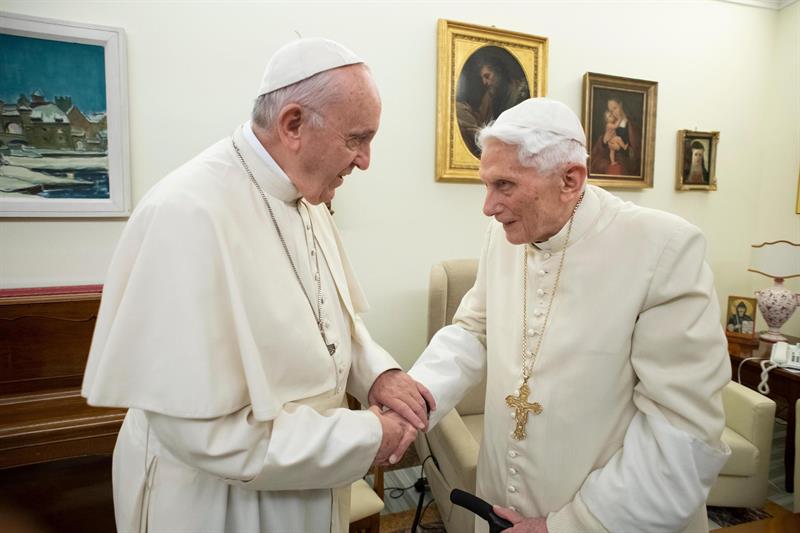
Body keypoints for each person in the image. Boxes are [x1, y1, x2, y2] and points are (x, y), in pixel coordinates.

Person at [81, 38, 433, 533]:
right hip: (220, 505)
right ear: (293, 124)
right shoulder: (187, 213)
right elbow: (206, 435)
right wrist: (366, 436)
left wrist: (378, 374)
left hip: (307, 485)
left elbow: (336, 326)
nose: (365, 160)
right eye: (357, 138)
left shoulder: (307, 198)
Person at [387, 98, 732, 532]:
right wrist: (413, 403)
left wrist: (568, 525)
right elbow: (474, 331)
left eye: (504, 185)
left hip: (604, 519)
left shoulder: (663, 250)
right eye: (486, 185)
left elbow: (684, 431)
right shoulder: (503, 234)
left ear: (570, 180)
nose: (488, 207)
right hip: (498, 502)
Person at [457, 57, 529, 157]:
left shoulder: (521, 94)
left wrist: (481, 134)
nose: (485, 83)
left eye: (487, 76)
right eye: (482, 78)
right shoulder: (490, 96)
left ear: (499, 73)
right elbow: (482, 121)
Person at [590, 96, 641, 176]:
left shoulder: (631, 126)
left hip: (625, 164)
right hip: (610, 162)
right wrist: (604, 142)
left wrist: (621, 149)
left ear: (620, 105)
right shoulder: (611, 124)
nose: (613, 113)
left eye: (615, 108)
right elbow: (598, 150)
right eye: (611, 111)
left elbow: (637, 152)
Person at [601, 109, 627, 175]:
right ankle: (624, 147)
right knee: (618, 138)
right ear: (606, 120)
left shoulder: (611, 124)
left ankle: (612, 162)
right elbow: (616, 126)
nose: (612, 116)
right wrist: (620, 119)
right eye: (610, 116)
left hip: (611, 140)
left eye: (612, 115)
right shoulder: (609, 125)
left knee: (612, 152)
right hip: (610, 139)